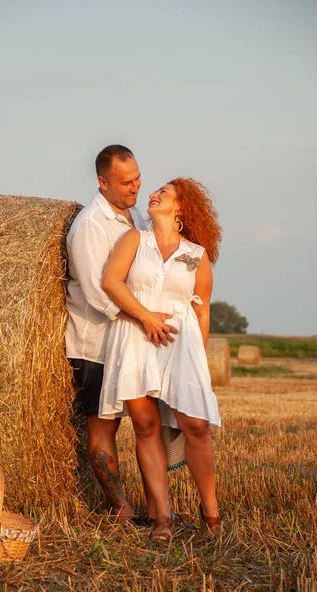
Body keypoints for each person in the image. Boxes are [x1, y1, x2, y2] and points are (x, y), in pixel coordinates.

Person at [99, 177, 223, 541]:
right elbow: (111, 281)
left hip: (180, 345)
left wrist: (197, 359)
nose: (152, 194)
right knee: (146, 426)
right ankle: (162, 519)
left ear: (180, 206)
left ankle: (211, 513)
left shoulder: (196, 256)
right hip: (136, 338)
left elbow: (201, 312)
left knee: (196, 426)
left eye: (162, 193)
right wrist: (146, 317)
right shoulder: (135, 240)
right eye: (154, 192)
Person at [65, 145, 177, 522]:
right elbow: (100, 296)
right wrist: (146, 317)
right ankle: (122, 511)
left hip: (130, 340)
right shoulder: (89, 226)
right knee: (103, 426)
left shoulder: (135, 219)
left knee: (145, 426)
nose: (136, 187)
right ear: (103, 182)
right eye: (126, 182)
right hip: (96, 344)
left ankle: (157, 511)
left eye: (138, 178)